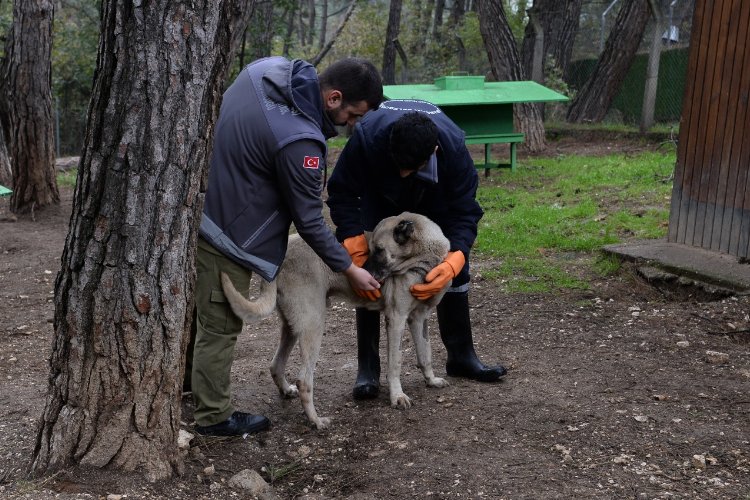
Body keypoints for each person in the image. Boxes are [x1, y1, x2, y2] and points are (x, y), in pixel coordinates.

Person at [186, 56, 384, 436]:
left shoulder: (267, 70)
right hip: (227, 230)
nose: (353, 126)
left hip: (203, 201)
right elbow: (309, 221)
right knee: (220, 324)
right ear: (334, 98)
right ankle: (213, 415)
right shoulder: (301, 141)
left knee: (200, 314)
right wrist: (349, 268)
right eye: (354, 116)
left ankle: (192, 384)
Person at [327, 99, 507, 400]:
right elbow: (341, 192)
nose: (402, 174)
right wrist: (354, 243)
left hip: (434, 200)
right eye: (399, 166)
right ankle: (368, 370)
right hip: (380, 200)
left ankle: (461, 356)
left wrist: (455, 260)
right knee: (372, 275)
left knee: (452, 261)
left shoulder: (454, 150)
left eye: (410, 168)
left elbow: (465, 213)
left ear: (433, 152)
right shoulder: (367, 138)